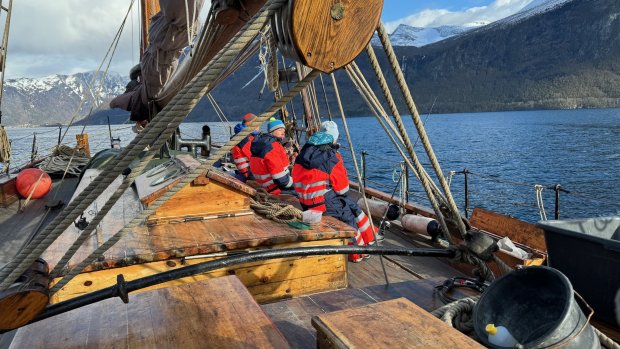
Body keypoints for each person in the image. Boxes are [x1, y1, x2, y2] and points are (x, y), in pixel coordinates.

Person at [292, 121, 377, 262]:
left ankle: (370, 237)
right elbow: (343, 189)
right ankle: (357, 254)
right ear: (334, 138)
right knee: (349, 217)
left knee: (350, 205)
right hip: (323, 205)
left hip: (306, 203)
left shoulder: (304, 153)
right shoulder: (331, 156)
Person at [250, 117, 294, 195]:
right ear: (271, 131)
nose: (283, 132)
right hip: (277, 190)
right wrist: (296, 184)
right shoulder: (272, 147)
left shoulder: (261, 144)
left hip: (264, 187)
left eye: (284, 130)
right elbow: (281, 179)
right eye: (280, 129)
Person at [231, 113, 259, 181]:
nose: (259, 126)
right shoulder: (245, 138)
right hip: (248, 174)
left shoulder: (244, 135)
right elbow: (254, 156)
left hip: (245, 171)